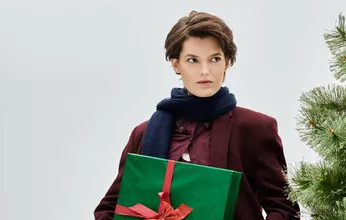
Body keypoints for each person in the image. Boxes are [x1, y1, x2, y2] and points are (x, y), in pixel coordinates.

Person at [94, 11, 301, 220]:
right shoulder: (144, 133)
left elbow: (285, 210)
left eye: (214, 59)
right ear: (176, 64)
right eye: (193, 60)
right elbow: (110, 208)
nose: (205, 71)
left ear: (227, 62)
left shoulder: (254, 129)